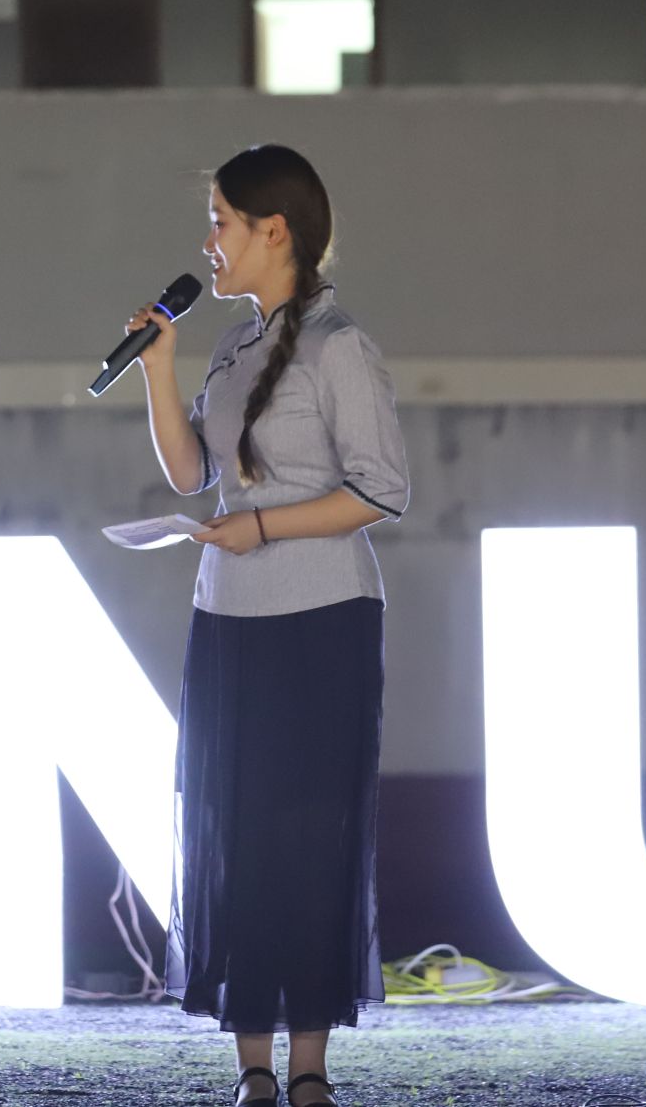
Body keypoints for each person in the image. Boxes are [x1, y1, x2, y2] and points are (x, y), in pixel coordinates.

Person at [126, 143, 409, 1107]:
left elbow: (381, 489)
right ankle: (253, 1063)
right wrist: (158, 367)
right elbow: (191, 473)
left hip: (322, 619)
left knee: (308, 833)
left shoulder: (339, 345)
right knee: (234, 827)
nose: (207, 242)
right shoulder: (232, 347)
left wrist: (262, 526)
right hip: (230, 617)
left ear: (273, 231)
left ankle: (310, 1065)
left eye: (221, 222)